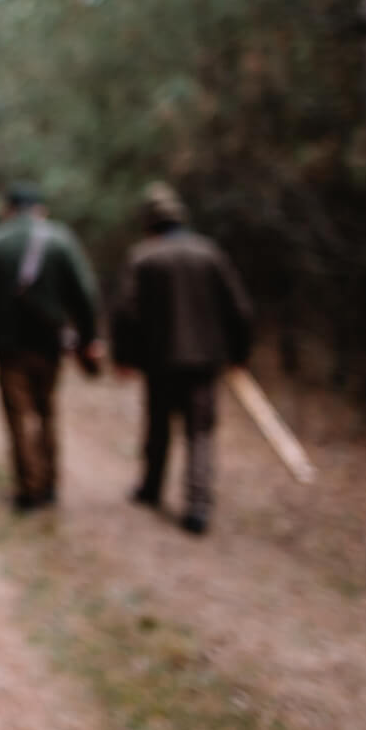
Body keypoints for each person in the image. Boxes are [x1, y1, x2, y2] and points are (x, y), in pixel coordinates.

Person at [111, 182, 254, 536]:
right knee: (200, 432)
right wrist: (239, 355)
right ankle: (198, 508)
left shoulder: (143, 257)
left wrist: (124, 358)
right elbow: (240, 309)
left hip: (160, 362)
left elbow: (125, 313)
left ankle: (150, 488)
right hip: (205, 362)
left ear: (149, 223)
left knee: (158, 427)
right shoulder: (209, 253)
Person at [0, 183, 102, 512]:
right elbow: (84, 294)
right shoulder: (61, 240)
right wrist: (90, 338)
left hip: (8, 346)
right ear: (41, 209)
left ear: (9, 208)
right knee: (47, 410)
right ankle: (49, 485)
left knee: (17, 416)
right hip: (50, 344)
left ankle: (28, 489)